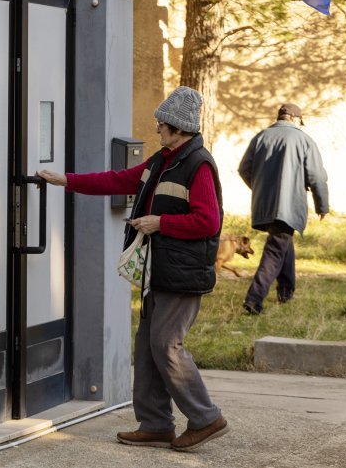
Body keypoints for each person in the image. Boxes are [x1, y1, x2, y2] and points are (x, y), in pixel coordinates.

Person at [38, 86, 228, 453]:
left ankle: (206, 417)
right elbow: (119, 180)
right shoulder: (163, 160)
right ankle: (156, 424)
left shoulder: (198, 164)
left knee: (165, 344)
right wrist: (67, 181)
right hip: (160, 269)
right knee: (146, 347)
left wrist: (160, 223)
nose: (157, 128)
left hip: (181, 273)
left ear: (177, 127)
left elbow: (208, 220)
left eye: (161, 124)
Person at [238, 103, 329, 315]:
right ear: (296, 120)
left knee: (283, 244)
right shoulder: (304, 139)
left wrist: (260, 189)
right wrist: (322, 205)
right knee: (275, 250)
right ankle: (254, 299)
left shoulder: (260, 137)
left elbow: (244, 169)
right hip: (288, 206)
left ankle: (286, 293)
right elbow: (316, 177)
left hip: (264, 205)